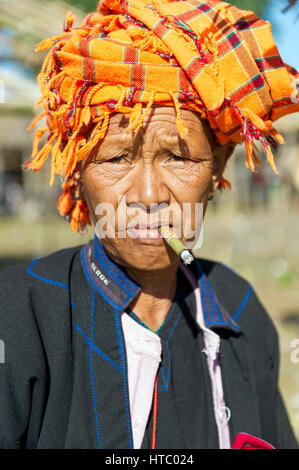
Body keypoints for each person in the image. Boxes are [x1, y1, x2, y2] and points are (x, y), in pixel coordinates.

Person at [0, 0, 298, 449]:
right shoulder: (21, 314)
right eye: (117, 158)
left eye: (179, 157)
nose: (149, 196)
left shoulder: (239, 313)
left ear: (218, 168)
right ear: (77, 171)